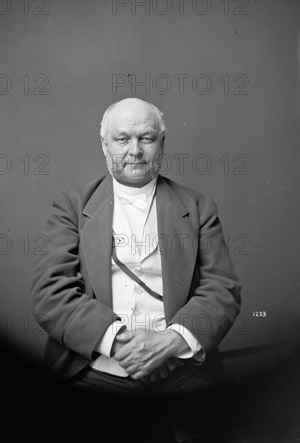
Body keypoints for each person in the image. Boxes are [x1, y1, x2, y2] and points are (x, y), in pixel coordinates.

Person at [31, 98, 241, 396]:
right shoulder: (71, 206)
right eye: (122, 139)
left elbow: (222, 289)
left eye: (146, 138)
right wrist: (121, 343)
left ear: (162, 142)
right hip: (92, 373)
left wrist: (169, 344)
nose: (135, 151)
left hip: (180, 373)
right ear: (105, 145)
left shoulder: (199, 207)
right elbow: (50, 293)